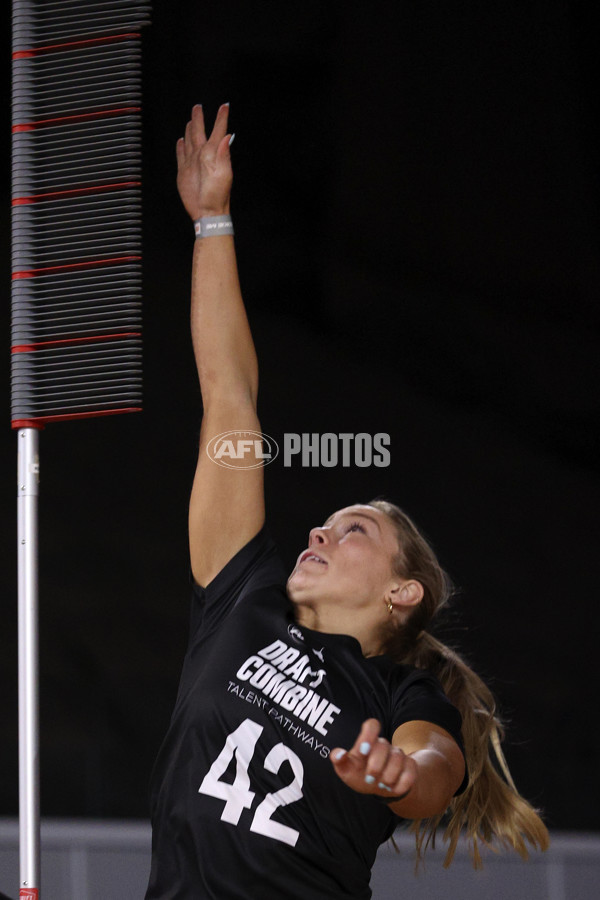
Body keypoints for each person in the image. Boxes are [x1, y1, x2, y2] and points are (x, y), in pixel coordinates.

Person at [144, 104, 549, 899]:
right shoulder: (243, 598)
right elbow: (229, 399)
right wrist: (213, 223)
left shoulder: (405, 695)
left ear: (404, 592)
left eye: (353, 528)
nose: (320, 531)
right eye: (326, 524)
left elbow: (434, 770)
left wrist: (401, 773)